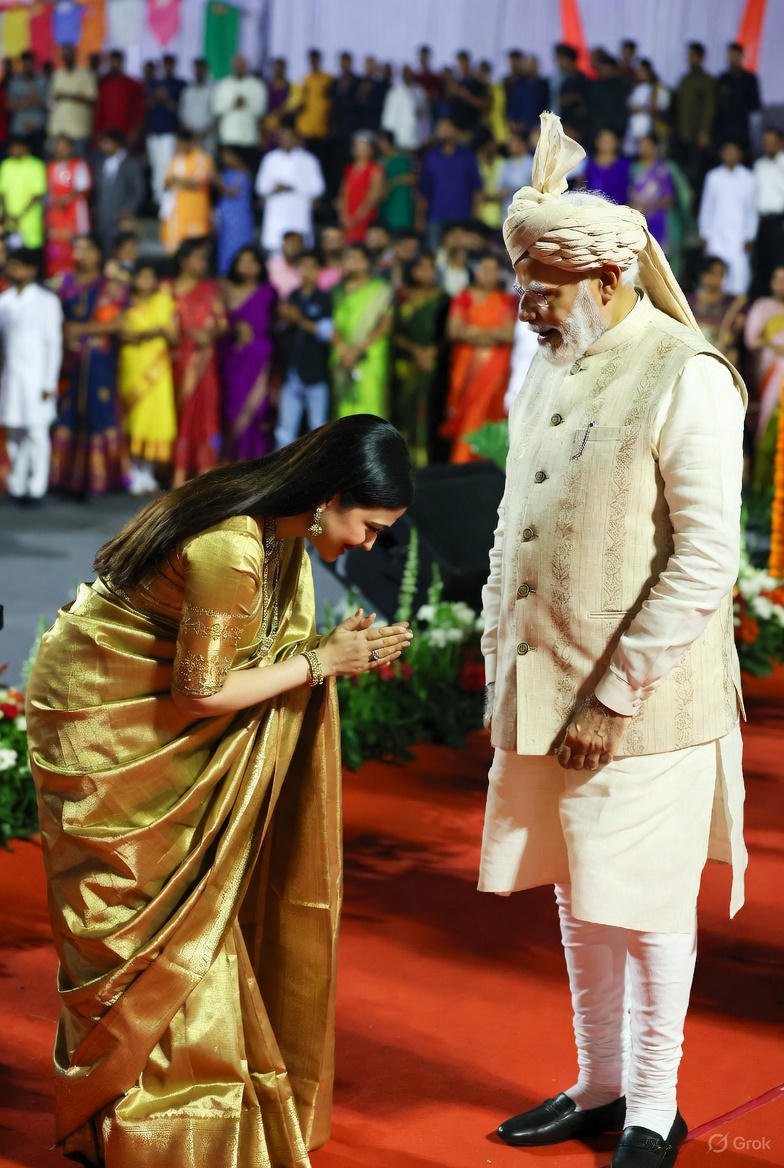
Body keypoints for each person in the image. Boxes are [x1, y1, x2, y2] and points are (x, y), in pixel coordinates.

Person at [25, 414, 414, 1168]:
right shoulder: (232, 544)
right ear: (330, 497)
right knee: (131, 918)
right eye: (370, 525)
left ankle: (137, 1122)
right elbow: (202, 692)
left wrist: (330, 652)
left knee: (183, 916)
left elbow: (245, 651)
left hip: (153, 714)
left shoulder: (278, 532)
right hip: (103, 723)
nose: (369, 544)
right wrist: (319, 664)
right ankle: (145, 1130)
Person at [481, 112, 747, 1168]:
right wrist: (504, 657)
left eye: (541, 294)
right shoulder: (555, 356)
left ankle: (653, 1106)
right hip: (541, 685)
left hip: (644, 703)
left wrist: (610, 696)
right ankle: (595, 1084)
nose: (525, 312)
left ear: (602, 280)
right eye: (522, 291)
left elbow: (705, 561)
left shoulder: (685, 374)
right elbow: (521, 517)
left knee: (644, 905)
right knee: (575, 885)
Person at [50, 239, 130, 498]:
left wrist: (80, 330)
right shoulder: (63, 284)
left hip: (99, 360)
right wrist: (64, 334)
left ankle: (102, 478)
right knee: (68, 411)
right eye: (77, 248)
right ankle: (64, 476)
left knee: (100, 411)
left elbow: (118, 324)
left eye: (87, 249)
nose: (80, 254)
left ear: (99, 253)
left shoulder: (111, 286)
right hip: (68, 359)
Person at [0, 247, 62, 503]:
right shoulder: (5, 300)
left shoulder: (47, 302)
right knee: (14, 430)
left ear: (31, 270)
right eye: (11, 265)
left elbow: (53, 343)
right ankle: (17, 482)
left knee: (36, 433)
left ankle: (37, 485)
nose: (13, 270)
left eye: (18, 265)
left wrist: (50, 381)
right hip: (11, 377)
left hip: (37, 378)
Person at [441, 252, 516, 463]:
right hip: (466, 370)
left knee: (489, 410)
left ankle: (487, 461)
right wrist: (491, 334)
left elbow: (509, 334)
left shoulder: (507, 300)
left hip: (497, 370)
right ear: (475, 271)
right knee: (467, 413)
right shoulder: (464, 297)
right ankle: (463, 459)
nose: (488, 274)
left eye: (493, 270)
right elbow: (454, 330)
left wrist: (473, 332)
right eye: (484, 269)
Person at [169, 238, 226, 486]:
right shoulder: (168, 289)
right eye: (197, 258)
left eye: (204, 259)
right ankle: (177, 473)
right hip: (177, 361)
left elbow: (222, 323)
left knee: (205, 415)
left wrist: (209, 334)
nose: (202, 263)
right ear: (183, 260)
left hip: (204, 362)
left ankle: (205, 473)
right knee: (178, 414)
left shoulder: (210, 289)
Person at [118, 260, 178, 495]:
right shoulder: (124, 303)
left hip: (158, 369)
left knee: (155, 418)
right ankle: (134, 471)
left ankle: (149, 472)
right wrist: (153, 331)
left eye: (149, 277)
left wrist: (147, 333)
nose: (145, 282)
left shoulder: (162, 302)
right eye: (140, 277)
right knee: (134, 417)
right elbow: (123, 333)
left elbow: (173, 335)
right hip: (133, 365)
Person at [220, 246, 278, 461]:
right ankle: (230, 463)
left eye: (251, 261)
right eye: (241, 261)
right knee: (230, 408)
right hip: (230, 358)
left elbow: (274, 325)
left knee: (256, 411)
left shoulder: (268, 292)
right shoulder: (224, 290)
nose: (246, 265)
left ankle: (255, 462)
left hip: (258, 358)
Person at [392, 250, 450, 465]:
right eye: (422, 267)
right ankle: (404, 461)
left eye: (431, 268)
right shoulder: (401, 298)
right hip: (405, 366)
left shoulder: (443, 299)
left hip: (432, 365)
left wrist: (431, 353)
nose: (428, 272)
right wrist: (415, 351)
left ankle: (427, 462)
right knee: (404, 411)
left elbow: (447, 333)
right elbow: (393, 333)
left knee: (428, 412)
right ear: (412, 270)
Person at [275, 250, 333, 448]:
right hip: (292, 372)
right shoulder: (292, 296)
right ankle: (283, 475)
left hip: (316, 373)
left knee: (318, 427)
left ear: (319, 271)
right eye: (303, 266)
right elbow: (283, 328)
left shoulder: (325, 298)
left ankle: (321, 473)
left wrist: (298, 319)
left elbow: (327, 332)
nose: (306, 271)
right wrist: (284, 319)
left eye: (311, 266)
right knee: (284, 430)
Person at [331, 242, 393, 419]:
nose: (352, 262)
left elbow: (385, 325)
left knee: (370, 409)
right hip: (342, 356)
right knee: (342, 411)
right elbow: (331, 324)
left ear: (368, 263)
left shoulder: (381, 290)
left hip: (370, 355)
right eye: (348, 258)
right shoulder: (336, 292)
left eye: (357, 258)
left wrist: (357, 350)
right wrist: (344, 350)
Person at [255, 122, 325, 254]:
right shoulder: (270, 159)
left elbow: (318, 188)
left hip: (298, 208)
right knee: (275, 247)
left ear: (297, 138)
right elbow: (260, 187)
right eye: (282, 137)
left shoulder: (309, 160)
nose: (286, 140)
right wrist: (274, 188)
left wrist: (292, 186)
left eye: (289, 137)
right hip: (277, 208)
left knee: (300, 248)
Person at [698, 141, 757, 296]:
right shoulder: (713, 176)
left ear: (740, 154)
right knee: (714, 273)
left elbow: (751, 210)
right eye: (727, 151)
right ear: (722, 154)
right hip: (716, 235)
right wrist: (705, 233)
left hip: (739, 237)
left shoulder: (749, 178)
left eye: (734, 151)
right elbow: (707, 207)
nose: (730, 154)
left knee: (739, 277)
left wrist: (750, 236)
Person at [744, 265, 784, 488]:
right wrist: (775, 345)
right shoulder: (763, 306)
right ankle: (760, 488)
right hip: (770, 375)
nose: (782, 284)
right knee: (767, 427)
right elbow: (752, 342)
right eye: (778, 278)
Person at [418, 117, 482, 248]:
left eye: (446, 127)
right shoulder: (431, 157)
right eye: (439, 127)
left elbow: (476, 189)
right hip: (435, 216)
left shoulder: (467, 156)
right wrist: (420, 218)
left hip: (462, 216)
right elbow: (424, 190)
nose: (442, 130)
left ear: (455, 130)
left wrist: (474, 215)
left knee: (460, 256)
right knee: (435, 256)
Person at [160, 128, 214, 254]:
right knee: (176, 250)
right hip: (176, 212)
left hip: (196, 212)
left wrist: (177, 180)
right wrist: (182, 181)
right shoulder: (175, 160)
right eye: (177, 144)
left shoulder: (201, 158)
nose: (179, 146)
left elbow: (198, 183)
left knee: (196, 251)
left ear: (189, 142)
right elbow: (167, 183)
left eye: (182, 143)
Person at [686, 254, 746, 366]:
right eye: (713, 273)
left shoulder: (734, 303)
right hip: (693, 353)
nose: (718, 278)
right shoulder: (688, 300)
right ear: (702, 275)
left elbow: (737, 333)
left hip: (722, 354)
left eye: (721, 273)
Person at [45, 134, 91, 278]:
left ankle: (74, 278)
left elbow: (82, 187)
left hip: (74, 213)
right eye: (58, 146)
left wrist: (65, 199)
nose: (60, 149)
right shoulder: (51, 166)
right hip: (55, 213)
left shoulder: (79, 164)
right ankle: (54, 276)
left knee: (75, 246)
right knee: (55, 246)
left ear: (71, 148)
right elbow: (47, 190)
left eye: (64, 146)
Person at [93, 129, 145, 253]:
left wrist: (128, 209)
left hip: (122, 219)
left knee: (120, 252)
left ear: (117, 144)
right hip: (102, 218)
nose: (103, 146)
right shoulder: (100, 163)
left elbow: (138, 191)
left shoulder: (131, 164)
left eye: (107, 143)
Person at [145, 55, 186, 208]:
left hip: (169, 132)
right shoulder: (153, 83)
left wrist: (167, 98)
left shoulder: (179, 84)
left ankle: (168, 200)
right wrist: (156, 97)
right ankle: (157, 200)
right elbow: (146, 106)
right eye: (165, 64)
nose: (167, 67)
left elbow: (179, 110)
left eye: (170, 64)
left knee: (168, 165)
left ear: (174, 65)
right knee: (156, 167)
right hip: (154, 131)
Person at [47, 44, 97, 156]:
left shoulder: (86, 74)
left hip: (79, 130)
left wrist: (67, 95)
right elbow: (50, 101)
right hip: (58, 128)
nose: (67, 57)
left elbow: (92, 99)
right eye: (64, 54)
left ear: (75, 55)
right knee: (57, 162)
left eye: (69, 54)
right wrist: (53, 101)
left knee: (78, 161)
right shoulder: (57, 75)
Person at [752, 127, 784, 299]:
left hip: (780, 220)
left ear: (781, 143)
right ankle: (764, 304)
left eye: (772, 142)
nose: (768, 146)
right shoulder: (758, 166)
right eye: (766, 142)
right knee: (763, 263)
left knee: (781, 262)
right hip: (762, 222)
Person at [212, 54, 267, 152]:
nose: (239, 68)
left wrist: (246, 103)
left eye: (242, 65)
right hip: (228, 136)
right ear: (232, 66)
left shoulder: (257, 85)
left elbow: (261, 111)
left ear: (246, 66)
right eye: (237, 65)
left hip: (249, 137)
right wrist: (232, 104)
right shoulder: (223, 85)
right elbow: (216, 109)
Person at [0, 136, 47, 251]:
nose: (14, 149)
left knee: (31, 252)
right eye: (13, 147)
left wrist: (19, 215)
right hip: (9, 219)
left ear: (26, 148)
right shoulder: (6, 165)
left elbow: (38, 194)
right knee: (10, 253)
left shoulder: (36, 165)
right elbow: (2, 192)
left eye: (18, 147)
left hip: (29, 219)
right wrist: (7, 213)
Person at [215, 144, 255, 276]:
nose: (225, 159)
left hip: (240, 220)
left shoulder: (243, 174)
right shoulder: (225, 174)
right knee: (225, 250)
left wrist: (214, 178)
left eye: (228, 156)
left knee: (240, 248)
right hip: (226, 219)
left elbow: (233, 192)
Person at [629, 133, 675, 249]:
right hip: (638, 218)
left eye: (647, 145)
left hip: (660, 217)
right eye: (641, 145)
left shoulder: (663, 168)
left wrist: (650, 207)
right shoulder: (633, 168)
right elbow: (629, 192)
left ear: (655, 147)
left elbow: (669, 196)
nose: (643, 148)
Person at [338, 132, 385, 245]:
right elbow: (343, 193)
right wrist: (344, 215)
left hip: (365, 216)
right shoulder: (349, 169)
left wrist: (358, 216)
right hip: (348, 216)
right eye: (358, 147)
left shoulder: (375, 169)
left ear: (371, 150)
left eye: (364, 147)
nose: (361, 150)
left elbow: (375, 195)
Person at [716, 41, 760, 152]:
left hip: (742, 130)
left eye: (735, 56)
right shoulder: (722, 79)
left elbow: (755, 106)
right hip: (723, 130)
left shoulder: (750, 79)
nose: (732, 59)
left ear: (741, 57)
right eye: (730, 55)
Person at [94, 50, 144, 148]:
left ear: (122, 62)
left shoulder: (133, 84)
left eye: (117, 62)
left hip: (125, 133)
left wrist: (134, 132)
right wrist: (98, 132)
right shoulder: (103, 84)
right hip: (106, 132)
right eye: (112, 62)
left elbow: (139, 111)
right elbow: (99, 110)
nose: (115, 65)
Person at [624, 58, 670, 157]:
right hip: (633, 132)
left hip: (651, 131)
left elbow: (662, 109)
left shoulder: (658, 88)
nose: (638, 73)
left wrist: (642, 109)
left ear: (648, 71)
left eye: (641, 70)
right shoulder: (634, 88)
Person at [7, 50, 48, 157]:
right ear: (22, 64)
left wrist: (37, 100)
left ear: (34, 64)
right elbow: (9, 105)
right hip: (19, 129)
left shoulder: (42, 80)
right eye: (26, 64)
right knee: (17, 160)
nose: (28, 67)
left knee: (37, 159)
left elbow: (51, 104)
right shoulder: (14, 82)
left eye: (31, 64)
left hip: (38, 128)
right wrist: (25, 101)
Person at [380, 64, 428, 152]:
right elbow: (388, 116)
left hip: (417, 138)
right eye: (405, 73)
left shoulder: (419, 91)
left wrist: (425, 134)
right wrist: (388, 138)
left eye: (409, 73)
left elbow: (425, 116)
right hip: (399, 138)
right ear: (401, 75)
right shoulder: (394, 92)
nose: (407, 75)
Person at [377, 130, 415, 234]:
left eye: (383, 141)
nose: (380, 145)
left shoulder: (401, 160)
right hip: (385, 208)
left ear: (390, 142)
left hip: (399, 209)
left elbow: (411, 178)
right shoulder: (379, 161)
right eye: (379, 142)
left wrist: (391, 183)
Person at [584, 128, 630, 206]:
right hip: (592, 208)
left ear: (616, 143)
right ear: (597, 141)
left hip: (619, 209)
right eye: (603, 140)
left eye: (609, 141)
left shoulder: (624, 164)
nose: (605, 143)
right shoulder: (587, 163)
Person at [179, 57, 216, 154]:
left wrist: (202, 134)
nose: (199, 72)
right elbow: (182, 115)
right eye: (196, 69)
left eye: (201, 69)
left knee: (207, 166)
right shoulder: (187, 91)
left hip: (207, 139)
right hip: (190, 138)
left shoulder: (213, 90)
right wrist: (193, 134)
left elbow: (216, 117)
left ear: (206, 70)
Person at [267, 229, 305, 299]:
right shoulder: (270, 265)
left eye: (296, 242)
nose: (292, 246)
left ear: (302, 246)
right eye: (288, 242)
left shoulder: (307, 266)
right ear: (282, 245)